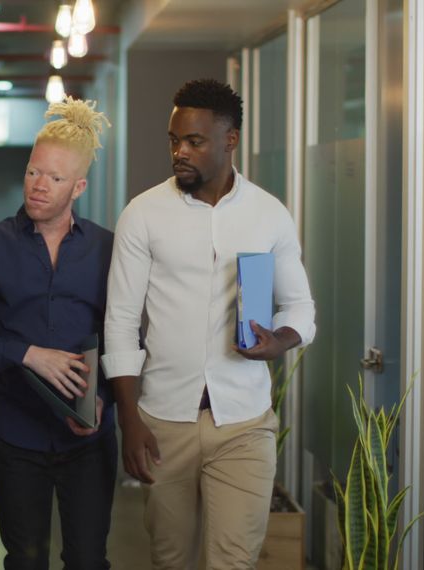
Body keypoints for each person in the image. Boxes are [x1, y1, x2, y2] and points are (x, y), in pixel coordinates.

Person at [101, 78, 316, 569]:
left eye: (194, 142)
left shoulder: (269, 214)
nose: (180, 151)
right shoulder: (143, 214)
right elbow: (121, 322)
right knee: (170, 558)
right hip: (163, 421)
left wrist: (277, 341)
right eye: (175, 140)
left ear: (229, 140)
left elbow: (301, 309)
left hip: (243, 421)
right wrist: (129, 420)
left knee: (233, 561)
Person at [0, 97, 116, 570]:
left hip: (88, 438)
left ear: (79, 186)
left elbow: (124, 335)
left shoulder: (107, 247)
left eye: (54, 178)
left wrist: (103, 397)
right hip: (16, 434)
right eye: (34, 172)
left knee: (89, 561)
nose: (39, 186)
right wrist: (28, 353)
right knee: (25, 561)